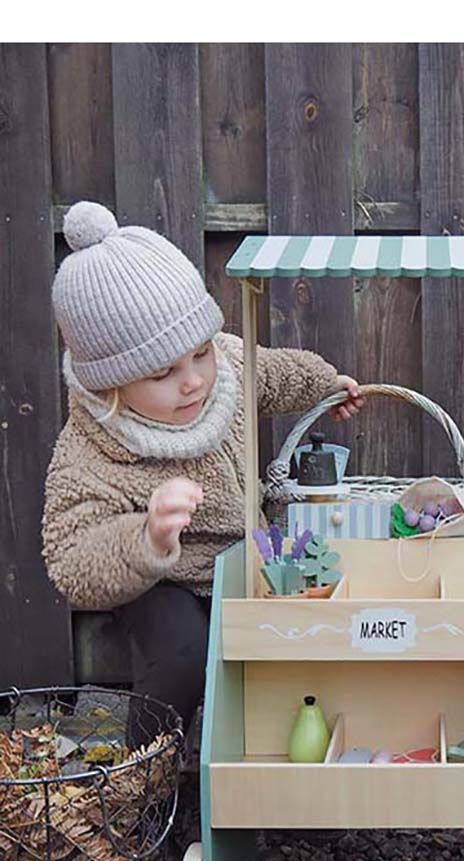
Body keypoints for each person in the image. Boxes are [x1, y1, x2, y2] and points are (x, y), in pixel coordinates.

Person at [41, 201, 363, 742]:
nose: (193, 381)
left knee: (293, 630)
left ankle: (261, 761)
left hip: (245, 557)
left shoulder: (226, 370)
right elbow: (70, 555)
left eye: (200, 354)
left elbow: (273, 372)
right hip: (163, 579)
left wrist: (326, 385)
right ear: (109, 386)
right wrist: (145, 534)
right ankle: (148, 776)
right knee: (181, 655)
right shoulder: (91, 449)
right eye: (164, 372)